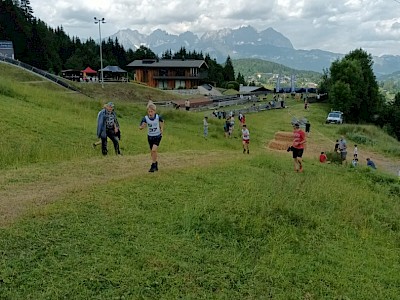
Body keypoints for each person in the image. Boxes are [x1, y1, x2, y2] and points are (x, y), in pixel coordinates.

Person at [139, 101, 164, 172]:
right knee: (152, 152)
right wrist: (142, 127)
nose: (150, 113)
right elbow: (140, 127)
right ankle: (155, 164)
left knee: (154, 150)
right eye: (149, 111)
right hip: (150, 137)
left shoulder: (158, 117)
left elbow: (162, 121)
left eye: (151, 111)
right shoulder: (145, 118)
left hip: (157, 136)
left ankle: (153, 165)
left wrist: (162, 129)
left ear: (154, 111)